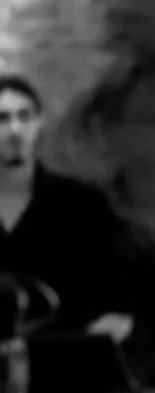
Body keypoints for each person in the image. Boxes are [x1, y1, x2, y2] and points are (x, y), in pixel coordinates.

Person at [0, 74, 134, 342]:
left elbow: (116, 292)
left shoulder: (83, 206)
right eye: (2, 119)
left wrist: (116, 320)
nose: (15, 130)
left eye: (24, 116)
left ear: (39, 123)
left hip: (63, 366)